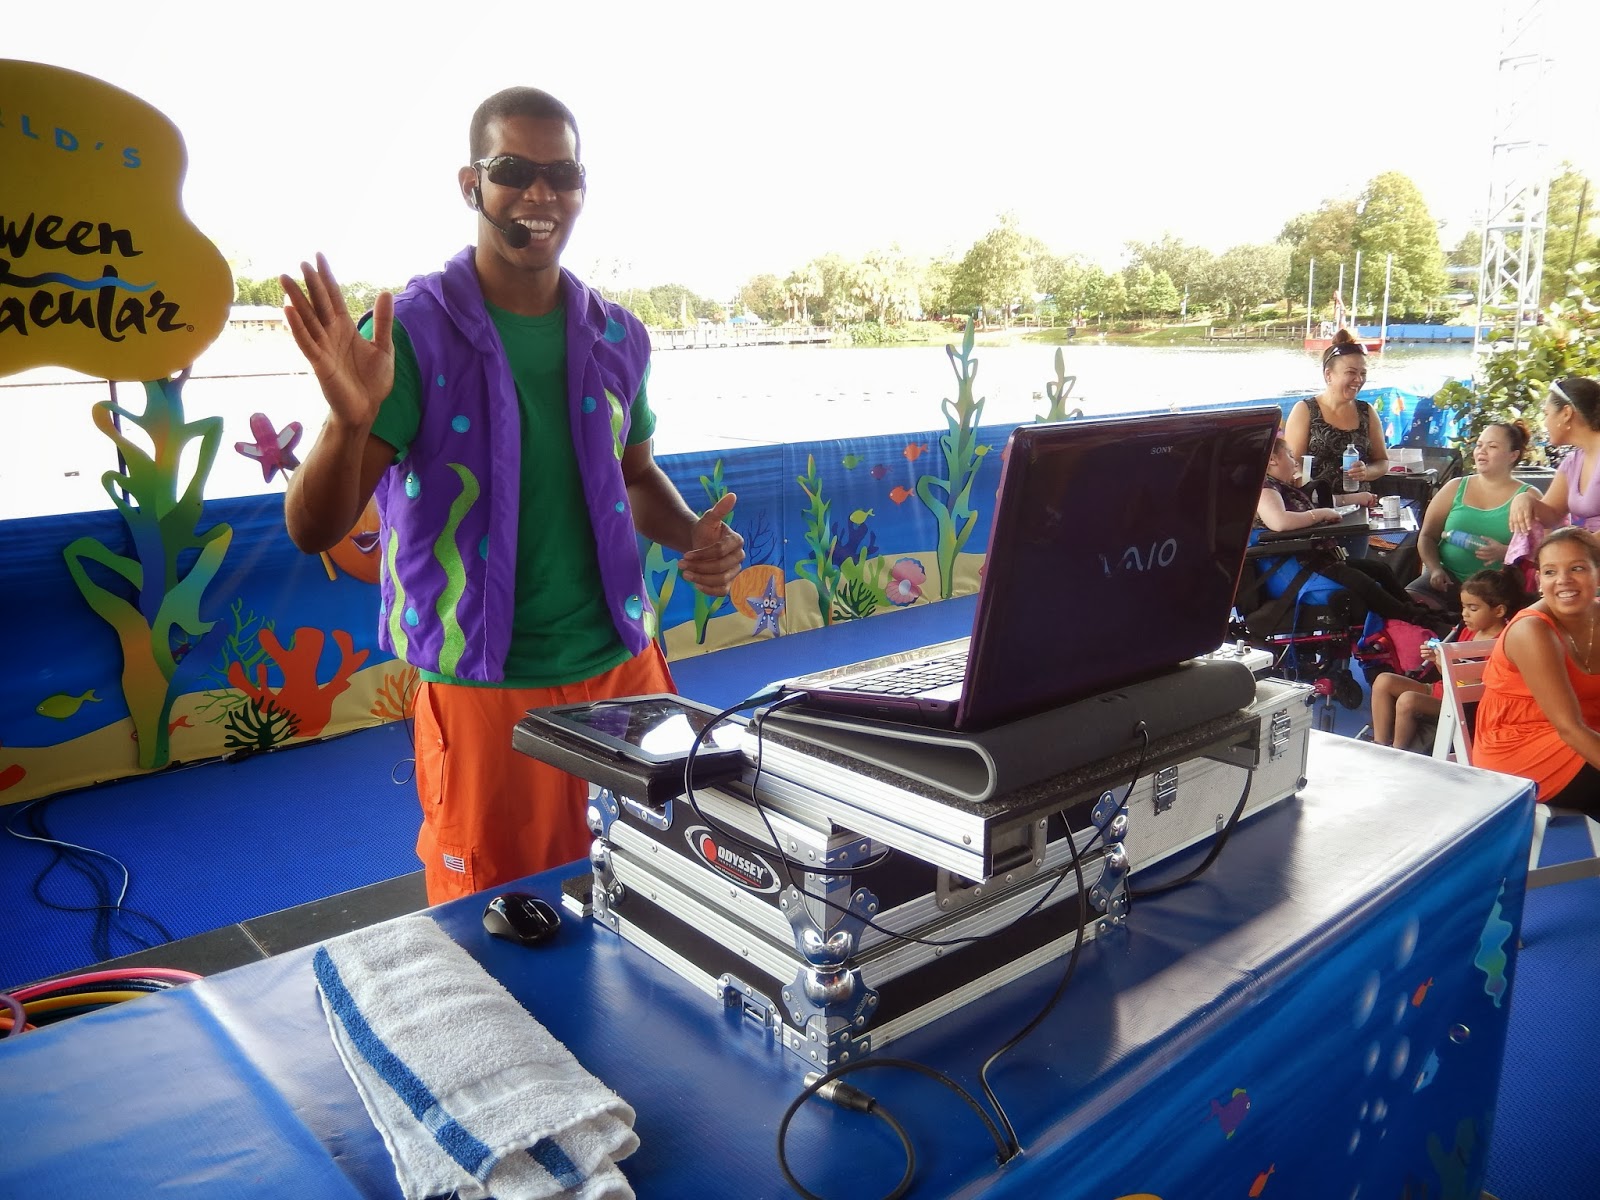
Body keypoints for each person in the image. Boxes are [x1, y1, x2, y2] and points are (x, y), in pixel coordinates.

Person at [278, 87, 746, 904]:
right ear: (472, 185)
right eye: (512, 171)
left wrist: (690, 536)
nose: (540, 193)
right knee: (501, 916)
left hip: (627, 671)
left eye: (561, 173)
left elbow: (634, 473)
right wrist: (348, 425)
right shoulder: (412, 333)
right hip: (488, 691)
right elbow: (312, 529)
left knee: (656, 890)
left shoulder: (618, 334)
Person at [1474, 527, 1600, 819]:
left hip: (1583, 733)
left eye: (1577, 568)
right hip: (1520, 749)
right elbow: (1569, 727)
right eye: (1550, 572)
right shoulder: (1531, 630)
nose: (1563, 580)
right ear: (1540, 581)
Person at [1250, 437, 1433, 626]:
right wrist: (1320, 515)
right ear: (1272, 460)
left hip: (1312, 560)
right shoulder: (1265, 488)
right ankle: (1413, 619)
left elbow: (1323, 502)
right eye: (1289, 455)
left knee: (1380, 569)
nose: (1295, 462)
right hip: (1294, 566)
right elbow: (1279, 522)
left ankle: (1416, 611)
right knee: (1361, 582)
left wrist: (1355, 498)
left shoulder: (1282, 488)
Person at [1369, 567, 1524, 750]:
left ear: (1498, 611)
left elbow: (1481, 687)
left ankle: (1396, 752)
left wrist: (1447, 664)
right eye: (1463, 607)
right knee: (1384, 680)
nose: (1465, 614)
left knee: (1407, 700)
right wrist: (1436, 658)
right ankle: (1379, 743)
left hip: (1464, 703)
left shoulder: (1502, 642)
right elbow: (1447, 675)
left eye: (1473, 608)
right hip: (1443, 689)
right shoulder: (1468, 631)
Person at [1409, 421, 1539, 611]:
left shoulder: (1529, 496)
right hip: (1448, 580)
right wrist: (1435, 568)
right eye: (1479, 445)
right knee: (1405, 606)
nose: (1481, 451)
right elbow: (1427, 536)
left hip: (1499, 588)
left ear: (1513, 455)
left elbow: (1544, 551)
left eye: (1492, 446)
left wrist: (1506, 552)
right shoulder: (1455, 487)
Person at [1284, 328, 1389, 503]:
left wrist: (1366, 472)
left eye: (1363, 373)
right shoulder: (1305, 410)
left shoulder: (1367, 411)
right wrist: (1309, 485)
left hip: (1359, 502)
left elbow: (1382, 461)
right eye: (1351, 373)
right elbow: (1292, 463)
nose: (1359, 380)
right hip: (1315, 505)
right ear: (1328, 375)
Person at [1507, 377, 1600, 558]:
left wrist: (1581, 548)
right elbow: (1553, 513)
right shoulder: (1573, 462)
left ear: (1566, 413)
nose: (1545, 423)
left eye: (1546, 413)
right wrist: (1527, 500)